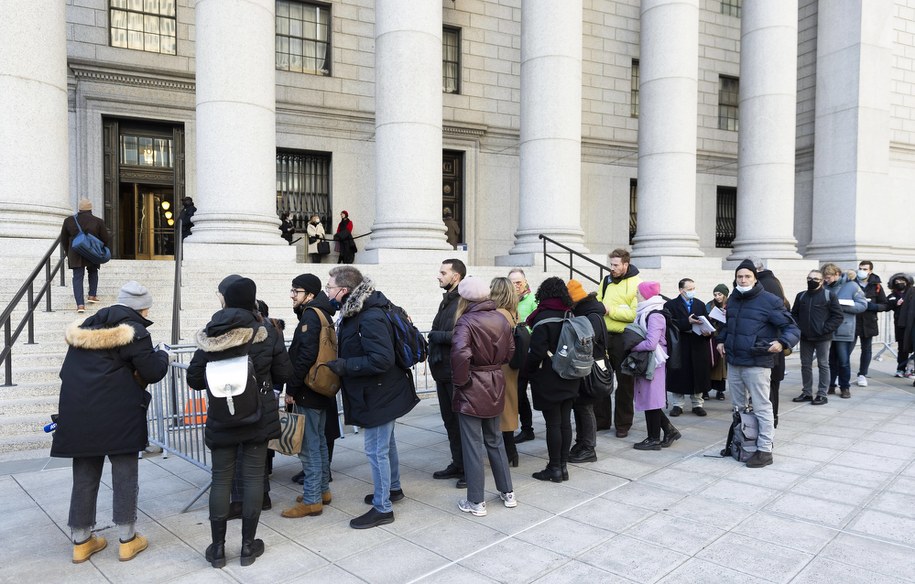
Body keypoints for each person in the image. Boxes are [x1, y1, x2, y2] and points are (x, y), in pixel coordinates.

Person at [52, 281, 169, 564]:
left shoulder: (85, 329)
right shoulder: (134, 332)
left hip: (79, 414)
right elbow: (152, 371)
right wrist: (163, 354)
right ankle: (128, 541)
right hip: (120, 415)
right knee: (125, 475)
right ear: (141, 308)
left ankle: (81, 542)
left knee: (84, 478)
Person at [186, 277, 288, 568]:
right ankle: (247, 547)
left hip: (221, 417)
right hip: (257, 415)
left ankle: (217, 549)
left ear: (226, 300)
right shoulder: (267, 330)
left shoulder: (211, 333)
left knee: (221, 479)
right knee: (254, 478)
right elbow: (284, 373)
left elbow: (194, 379)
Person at [323, 266, 420, 529]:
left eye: (329, 287)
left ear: (343, 290)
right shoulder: (359, 312)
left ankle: (383, 507)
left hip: (380, 393)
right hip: (380, 391)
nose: (327, 291)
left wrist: (345, 366)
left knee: (376, 450)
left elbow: (382, 359)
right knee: (386, 445)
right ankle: (393, 489)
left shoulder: (369, 317)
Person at [716, 259, 800, 468]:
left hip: (757, 362)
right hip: (734, 362)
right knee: (738, 407)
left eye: (747, 276)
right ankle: (739, 443)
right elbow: (729, 326)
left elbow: (792, 328)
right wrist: (720, 341)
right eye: (739, 276)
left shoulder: (769, 300)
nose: (743, 280)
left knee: (762, 407)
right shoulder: (734, 299)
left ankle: (764, 450)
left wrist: (782, 343)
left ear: (755, 278)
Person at [450, 276, 517, 517]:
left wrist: (461, 382)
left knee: (472, 445)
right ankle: (507, 492)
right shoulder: (500, 317)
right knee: (495, 439)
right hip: (494, 381)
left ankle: (476, 501)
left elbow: (460, 354)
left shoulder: (465, 321)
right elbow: (510, 352)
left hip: (473, 384)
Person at [281, 274, 336, 518]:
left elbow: (304, 356)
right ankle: (322, 491)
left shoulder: (311, 317)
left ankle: (313, 499)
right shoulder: (322, 313)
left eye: (297, 290)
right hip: (321, 388)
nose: (292, 294)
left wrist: (291, 389)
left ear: (310, 294)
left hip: (308, 390)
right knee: (319, 442)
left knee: (309, 446)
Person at [525, 277, 579, 483]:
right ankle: (563, 467)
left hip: (549, 377)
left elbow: (536, 352)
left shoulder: (543, 318)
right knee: (565, 422)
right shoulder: (571, 313)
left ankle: (554, 467)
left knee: (553, 424)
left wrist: (527, 371)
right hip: (571, 375)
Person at [427, 259, 467, 486]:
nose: (439, 276)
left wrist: (435, 337)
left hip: (455, 371)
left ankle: (469, 470)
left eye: (443, 272)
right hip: (442, 370)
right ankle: (458, 463)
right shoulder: (447, 301)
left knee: (462, 423)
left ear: (456, 277)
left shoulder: (463, 301)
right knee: (449, 421)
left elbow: (461, 335)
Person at [628, 281, 680, 450]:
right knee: (649, 399)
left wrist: (632, 346)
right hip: (649, 361)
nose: (636, 295)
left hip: (655, 362)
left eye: (638, 292)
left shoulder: (655, 314)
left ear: (645, 294)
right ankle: (669, 431)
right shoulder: (646, 311)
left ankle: (654, 439)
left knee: (652, 400)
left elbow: (651, 343)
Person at [596, 248, 641, 437]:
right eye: (611, 264)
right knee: (600, 379)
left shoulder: (637, 284)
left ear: (625, 265)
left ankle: (623, 424)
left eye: (616, 265)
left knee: (625, 384)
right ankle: (601, 420)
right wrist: (604, 308)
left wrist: (611, 310)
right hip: (604, 337)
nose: (612, 268)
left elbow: (633, 314)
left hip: (624, 339)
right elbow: (598, 302)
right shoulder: (606, 281)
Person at [567, 279, 607, 463]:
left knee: (585, 406)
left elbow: (587, 342)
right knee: (580, 405)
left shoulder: (591, 316)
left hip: (590, 368)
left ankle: (589, 447)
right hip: (585, 367)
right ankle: (582, 442)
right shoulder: (587, 313)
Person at [791, 269, 843, 405]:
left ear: (822, 281)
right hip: (805, 337)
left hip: (823, 338)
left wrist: (824, 329)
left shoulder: (829, 295)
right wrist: (799, 328)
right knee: (805, 365)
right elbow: (794, 314)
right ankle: (807, 392)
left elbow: (837, 316)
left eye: (815, 279)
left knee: (823, 364)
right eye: (809, 278)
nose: (811, 281)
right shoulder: (801, 296)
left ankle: (822, 394)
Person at [750, 257, 791, 428]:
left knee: (768, 386)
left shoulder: (765, 285)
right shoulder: (772, 281)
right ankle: (769, 420)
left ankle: (769, 422)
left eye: (747, 274)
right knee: (769, 385)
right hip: (771, 342)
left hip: (768, 344)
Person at [664, 278, 712, 418]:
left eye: (693, 288)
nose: (692, 292)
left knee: (698, 374)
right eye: (689, 289)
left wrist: (707, 332)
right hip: (681, 344)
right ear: (681, 290)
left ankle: (697, 404)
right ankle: (677, 405)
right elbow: (669, 325)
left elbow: (706, 321)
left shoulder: (699, 304)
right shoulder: (670, 305)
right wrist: (687, 322)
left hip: (698, 344)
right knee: (679, 374)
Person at [489, 276, 522, 467]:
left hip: (500, 364)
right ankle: (511, 452)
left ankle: (508, 451)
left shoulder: (499, 314)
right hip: (510, 365)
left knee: (502, 407)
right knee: (509, 404)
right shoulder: (512, 312)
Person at [822, 264, 867, 399]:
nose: (826, 280)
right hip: (828, 329)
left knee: (843, 360)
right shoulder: (825, 287)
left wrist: (841, 306)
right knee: (830, 360)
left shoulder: (852, 286)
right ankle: (830, 385)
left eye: (828, 277)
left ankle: (844, 387)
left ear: (836, 274)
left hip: (844, 328)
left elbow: (863, 305)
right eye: (825, 278)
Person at [60, 198, 110, 313]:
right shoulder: (98, 221)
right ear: (91, 209)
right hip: (92, 251)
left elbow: (64, 239)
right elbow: (105, 238)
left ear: (79, 208)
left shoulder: (69, 220)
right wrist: (101, 250)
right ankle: (92, 295)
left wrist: (68, 253)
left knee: (77, 277)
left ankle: (80, 305)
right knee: (93, 271)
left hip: (75, 251)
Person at [509, 268, 538, 444]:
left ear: (525, 282)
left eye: (519, 282)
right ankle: (526, 429)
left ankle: (528, 429)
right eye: (512, 283)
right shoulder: (507, 301)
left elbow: (537, 326)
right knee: (518, 394)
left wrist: (522, 330)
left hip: (529, 353)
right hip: (514, 353)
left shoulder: (534, 300)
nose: (516, 286)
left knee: (525, 392)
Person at [853, 261, 889, 386]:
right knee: (846, 349)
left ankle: (862, 374)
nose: (862, 270)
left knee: (866, 349)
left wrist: (871, 306)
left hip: (869, 321)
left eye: (865, 269)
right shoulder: (851, 283)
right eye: (860, 268)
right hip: (853, 321)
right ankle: (841, 373)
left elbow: (884, 304)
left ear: (870, 271)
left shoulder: (876, 286)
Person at [887, 273, 914, 376]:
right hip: (900, 325)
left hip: (912, 324)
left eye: (902, 281)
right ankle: (901, 368)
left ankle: (911, 366)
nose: (900, 284)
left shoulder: (912, 292)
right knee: (902, 348)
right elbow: (887, 305)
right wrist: (896, 304)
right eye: (897, 282)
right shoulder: (892, 296)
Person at [706, 283, 729, 400]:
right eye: (715, 294)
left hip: (723, 338)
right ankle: (706, 389)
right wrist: (709, 318)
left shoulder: (730, 305)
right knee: (710, 363)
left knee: (721, 365)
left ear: (725, 294)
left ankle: (720, 391)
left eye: (719, 294)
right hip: (711, 338)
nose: (717, 297)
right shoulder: (709, 305)